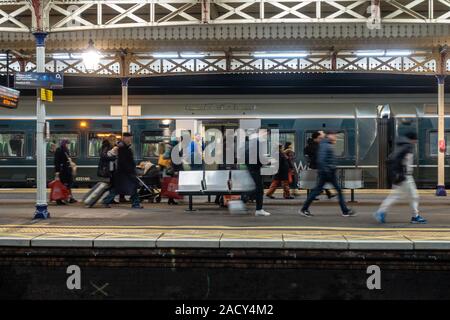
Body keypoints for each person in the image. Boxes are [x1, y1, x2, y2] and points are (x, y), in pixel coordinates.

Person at [374, 132, 427, 224]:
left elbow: (393, 160)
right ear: (413, 139)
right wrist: (400, 174)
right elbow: (403, 162)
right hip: (405, 176)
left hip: (401, 176)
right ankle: (415, 216)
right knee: (410, 196)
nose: (416, 142)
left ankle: (381, 212)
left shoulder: (401, 146)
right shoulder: (407, 147)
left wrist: (396, 174)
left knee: (403, 196)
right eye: (416, 140)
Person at [299, 131, 355, 217]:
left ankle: (345, 210)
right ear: (329, 136)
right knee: (318, 191)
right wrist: (327, 171)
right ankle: (304, 209)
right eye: (334, 135)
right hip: (327, 173)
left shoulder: (326, 144)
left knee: (327, 191)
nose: (335, 137)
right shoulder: (325, 145)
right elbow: (321, 160)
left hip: (329, 172)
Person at [102, 132, 143, 209]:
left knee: (120, 188)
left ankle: (106, 201)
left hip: (125, 171)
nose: (130, 140)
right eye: (129, 138)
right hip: (124, 171)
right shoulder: (121, 147)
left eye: (131, 138)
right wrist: (131, 169)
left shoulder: (125, 146)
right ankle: (135, 203)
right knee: (129, 187)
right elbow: (123, 160)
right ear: (124, 138)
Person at [245, 130, 271, 216]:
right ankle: (258, 209)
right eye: (266, 134)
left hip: (253, 167)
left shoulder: (254, 142)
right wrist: (266, 161)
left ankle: (258, 208)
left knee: (257, 188)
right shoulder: (257, 142)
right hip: (254, 168)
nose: (266, 136)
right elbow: (257, 156)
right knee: (259, 189)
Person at [303, 131, 334, 199]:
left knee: (320, 180)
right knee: (317, 181)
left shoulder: (311, 145)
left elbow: (306, 153)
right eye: (319, 138)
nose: (321, 139)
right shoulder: (314, 146)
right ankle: (314, 195)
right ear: (316, 138)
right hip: (315, 166)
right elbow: (317, 156)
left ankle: (328, 193)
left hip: (314, 165)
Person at [54, 139, 77, 205]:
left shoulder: (66, 150)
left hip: (66, 169)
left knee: (68, 184)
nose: (68, 145)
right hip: (62, 170)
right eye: (67, 143)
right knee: (63, 185)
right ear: (64, 144)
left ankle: (69, 198)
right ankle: (59, 199)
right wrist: (57, 171)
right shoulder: (59, 150)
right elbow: (56, 162)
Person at [98, 136, 119, 204]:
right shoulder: (106, 145)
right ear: (112, 140)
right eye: (115, 140)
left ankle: (110, 199)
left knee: (112, 183)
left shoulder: (109, 146)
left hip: (111, 167)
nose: (116, 142)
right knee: (113, 184)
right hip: (107, 167)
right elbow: (103, 156)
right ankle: (107, 199)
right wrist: (114, 158)